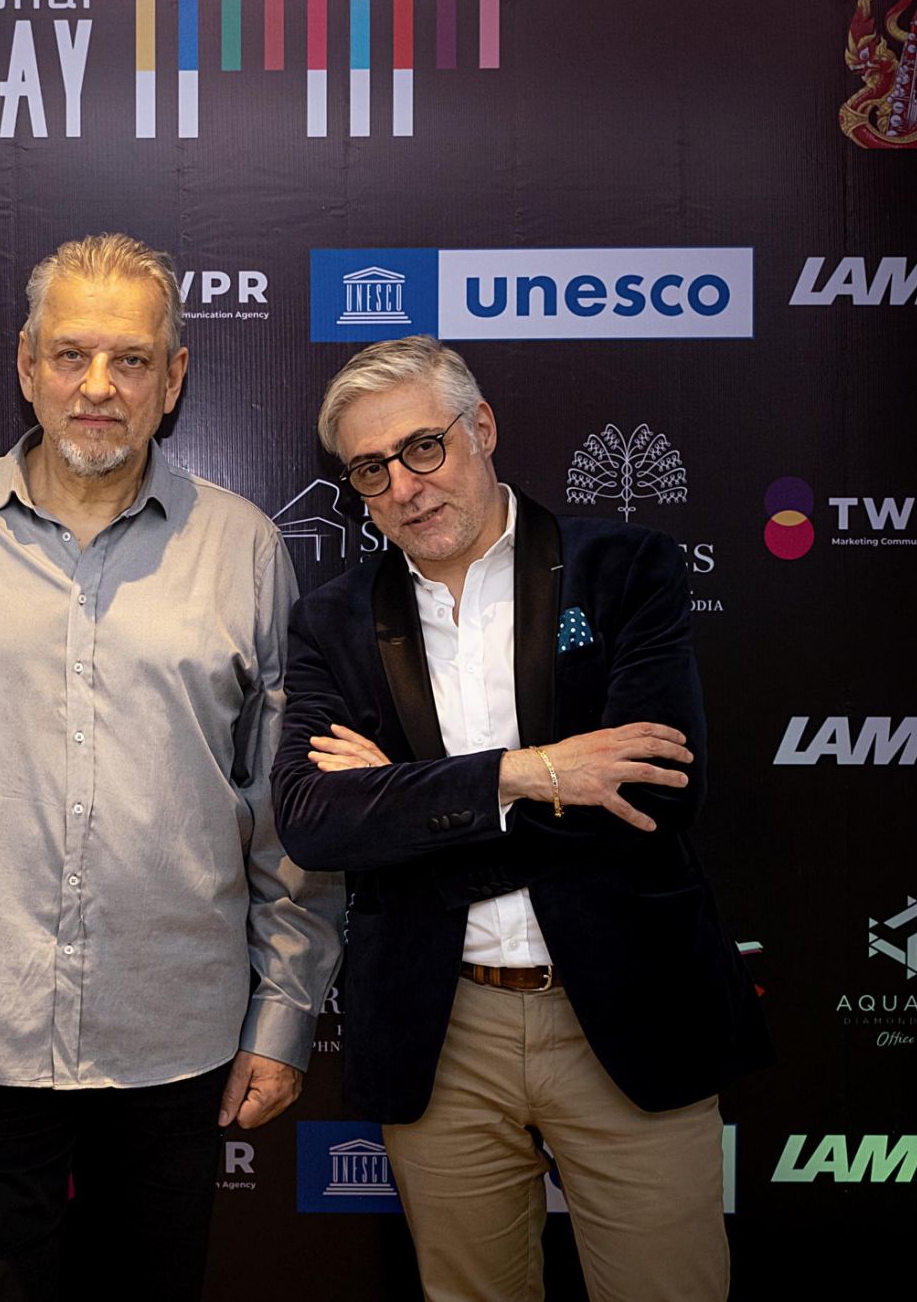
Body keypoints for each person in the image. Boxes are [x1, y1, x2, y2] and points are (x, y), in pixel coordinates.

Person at [0, 233, 344, 1301]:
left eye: (130, 360)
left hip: (178, 1036)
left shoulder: (244, 549)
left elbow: (284, 804)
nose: (97, 386)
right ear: (26, 365)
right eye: (71, 355)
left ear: (174, 379)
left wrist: (284, 1013)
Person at [271, 335, 768, 1301]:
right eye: (370, 470)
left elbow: (656, 794)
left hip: (626, 1012)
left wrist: (408, 800)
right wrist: (531, 773)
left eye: (423, 448)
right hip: (440, 1029)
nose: (404, 487)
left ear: (482, 428)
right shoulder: (333, 619)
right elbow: (315, 821)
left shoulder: (623, 569)